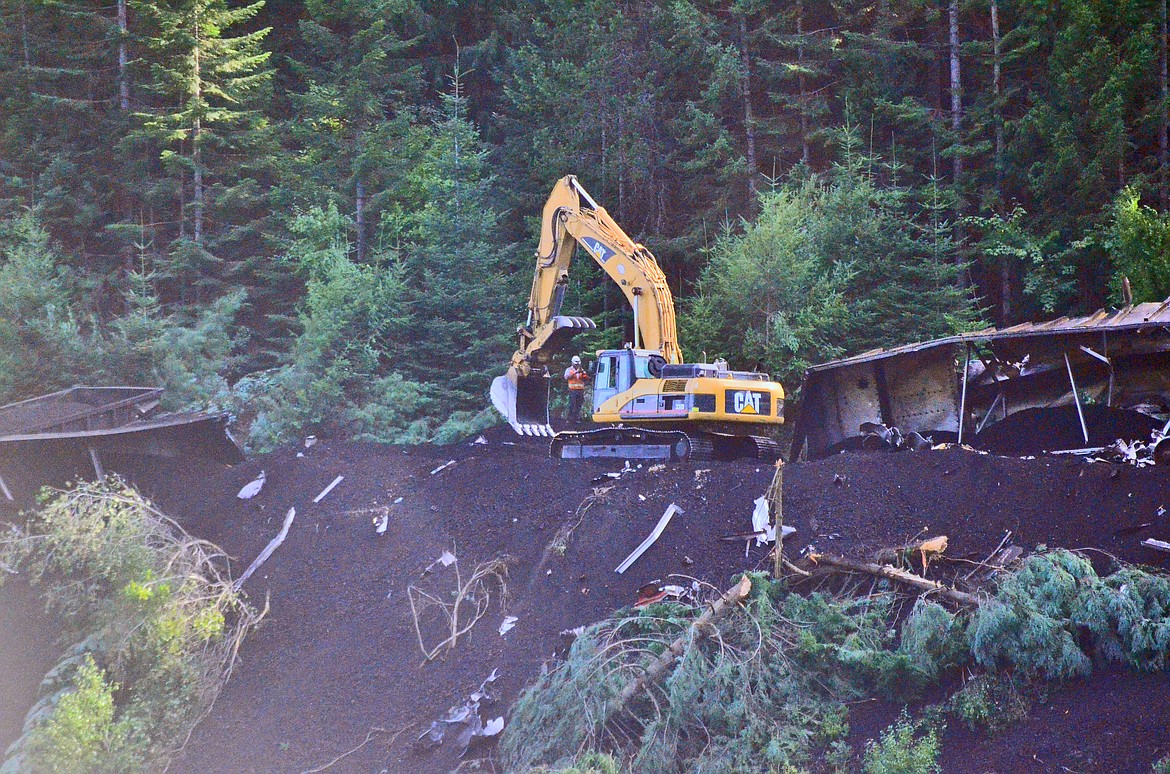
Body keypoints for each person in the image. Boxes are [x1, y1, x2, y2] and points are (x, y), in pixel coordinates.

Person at [563, 355, 590, 424]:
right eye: (575, 364)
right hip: (573, 390)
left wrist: (584, 374)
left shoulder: (582, 370)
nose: (577, 365)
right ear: (572, 363)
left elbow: (586, 378)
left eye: (578, 364)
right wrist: (575, 373)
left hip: (580, 390)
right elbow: (566, 377)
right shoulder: (569, 370)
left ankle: (576, 418)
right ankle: (570, 419)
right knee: (572, 405)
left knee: (578, 405)